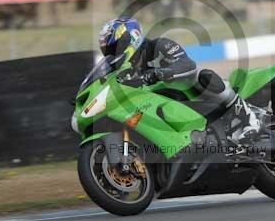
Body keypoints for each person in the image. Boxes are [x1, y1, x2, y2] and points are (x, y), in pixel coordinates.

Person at [98, 16, 260, 143]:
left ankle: (249, 119)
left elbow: (187, 64)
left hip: (193, 92)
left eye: (116, 47)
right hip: (170, 108)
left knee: (204, 75)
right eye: (110, 51)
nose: (114, 53)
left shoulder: (159, 45)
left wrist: (160, 73)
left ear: (131, 37)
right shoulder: (127, 70)